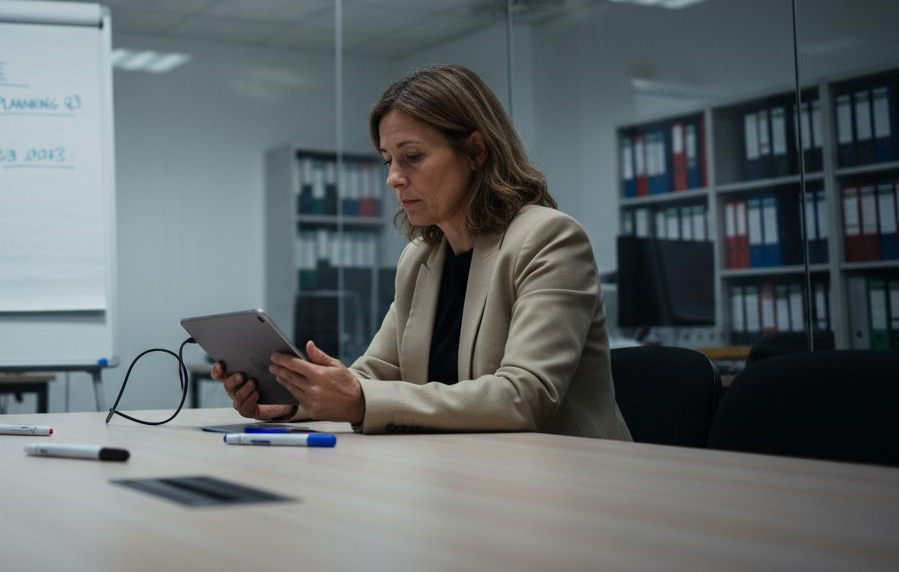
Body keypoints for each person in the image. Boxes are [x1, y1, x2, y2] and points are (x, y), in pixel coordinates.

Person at [212, 65, 631, 439]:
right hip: (465, 474)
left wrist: (360, 399)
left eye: (412, 157)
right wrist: (293, 400)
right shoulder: (421, 257)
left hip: (570, 478)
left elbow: (525, 395)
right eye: (387, 160)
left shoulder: (549, 238)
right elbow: (378, 373)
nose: (394, 178)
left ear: (475, 152)